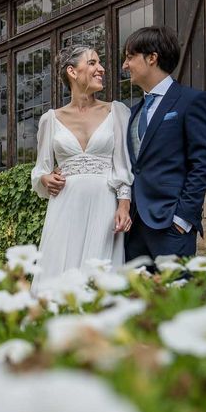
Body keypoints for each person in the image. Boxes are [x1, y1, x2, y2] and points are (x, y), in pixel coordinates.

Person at [30, 45, 134, 290]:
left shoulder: (116, 112)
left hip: (105, 208)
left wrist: (124, 204)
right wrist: (45, 179)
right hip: (64, 207)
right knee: (59, 279)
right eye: (92, 63)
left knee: (98, 282)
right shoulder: (51, 119)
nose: (101, 69)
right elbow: (40, 169)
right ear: (72, 72)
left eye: (100, 63)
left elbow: (123, 165)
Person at [120, 26, 206, 261]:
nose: (125, 65)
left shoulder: (192, 101)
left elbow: (203, 165)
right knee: (138, 298)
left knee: (176, 297)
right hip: (135, 230)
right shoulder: (132, 112)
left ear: (152, 58)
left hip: (171, 227)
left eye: (130, 57)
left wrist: (182, 219)